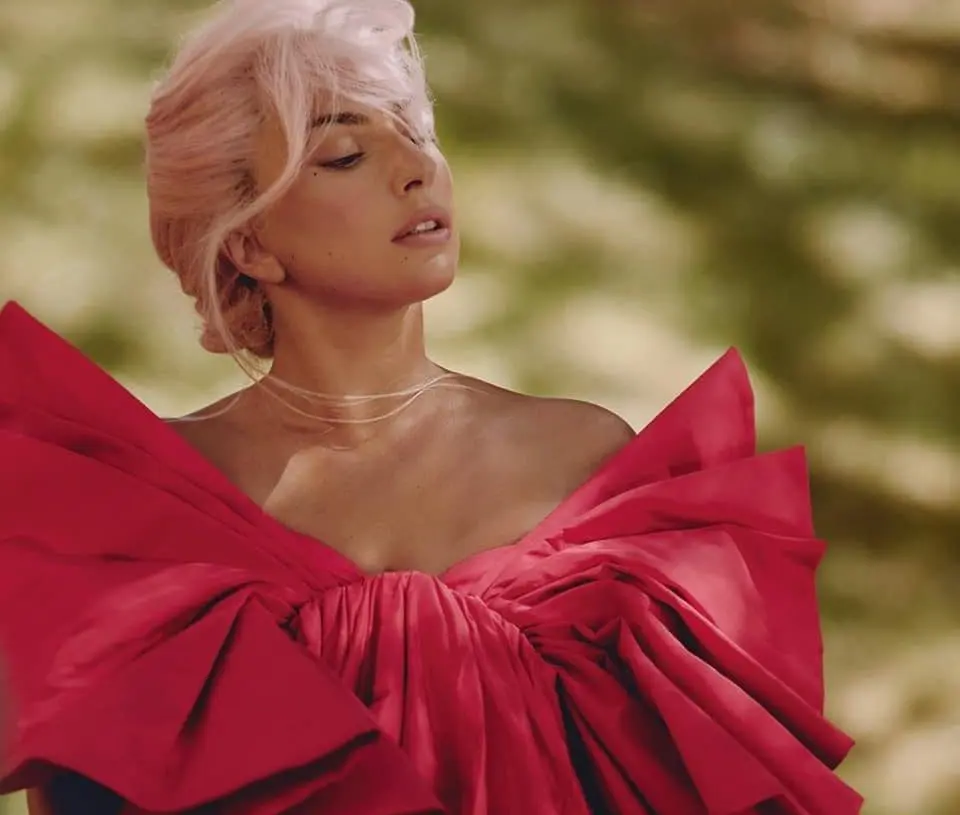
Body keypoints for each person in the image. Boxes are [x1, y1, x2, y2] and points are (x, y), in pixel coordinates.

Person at [0, 0, 863, 812]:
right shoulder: (148, 514)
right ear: (251, 241)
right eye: (346, 155)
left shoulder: (586, 465)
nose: (417, 170)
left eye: (416, 133)